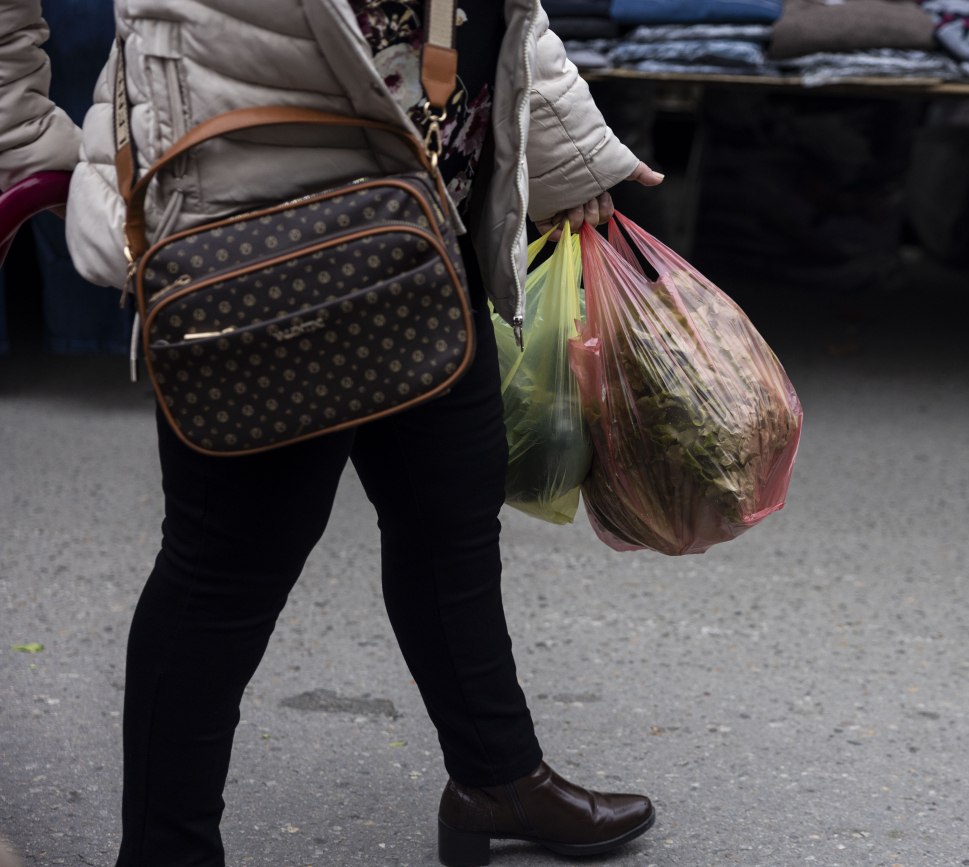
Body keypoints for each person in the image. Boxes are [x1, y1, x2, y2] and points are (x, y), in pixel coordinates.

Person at [2, 1, 665, 866]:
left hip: (427, 200)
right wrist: (15, 124)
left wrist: (566, 153)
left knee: (450, 511)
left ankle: (495, 778)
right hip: (259, 220)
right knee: (228, 564)